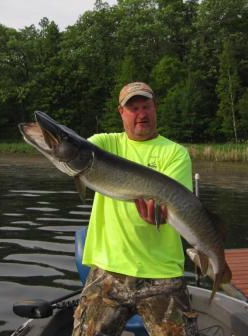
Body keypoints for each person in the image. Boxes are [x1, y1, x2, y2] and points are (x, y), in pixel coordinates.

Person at [72, 82, 197, 336]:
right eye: (133, 108)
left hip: (162, 272)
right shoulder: (103, 145)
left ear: (155, 108)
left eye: (146, 106)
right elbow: (73, 152)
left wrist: (159, 214)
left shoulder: (175, 153)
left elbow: (172, 204)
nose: (141, 113)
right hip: (109, 270)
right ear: (121, 112)